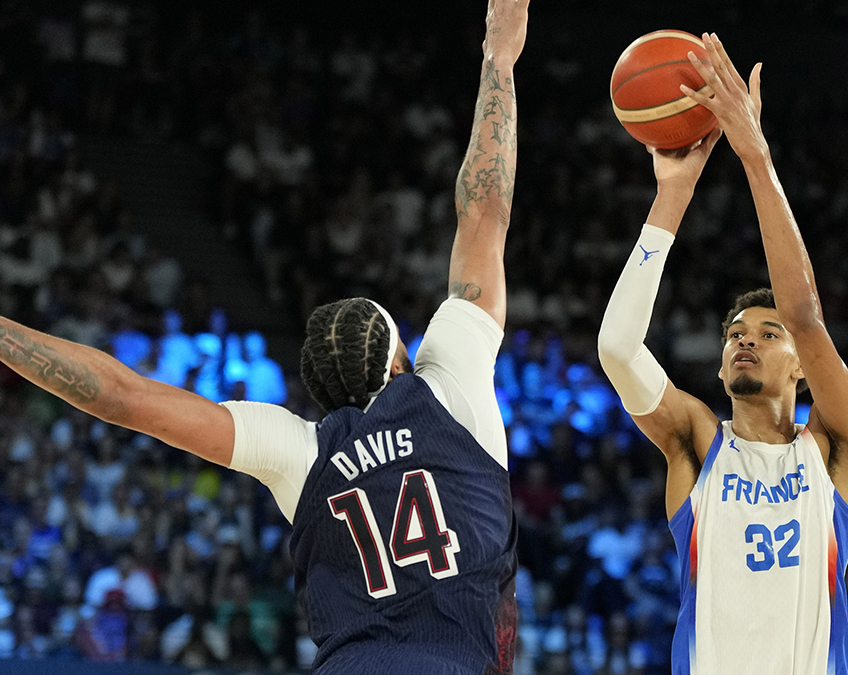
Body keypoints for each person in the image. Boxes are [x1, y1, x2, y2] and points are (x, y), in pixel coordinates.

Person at [0, 0, 530, 672]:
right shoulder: (451, 388)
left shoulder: (301, 451)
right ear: (400, 359)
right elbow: (484, 213)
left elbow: (120, 396)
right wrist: (499, 62)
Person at [597, 33, 848, 675]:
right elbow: (616, 347)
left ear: (802, 363)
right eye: (735, 333)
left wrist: (756, 158)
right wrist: (671, 199)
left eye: (767, 334)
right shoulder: (694, 441)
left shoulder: (835, 443)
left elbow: (804, 314)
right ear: (720, 366)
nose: (746, 338)